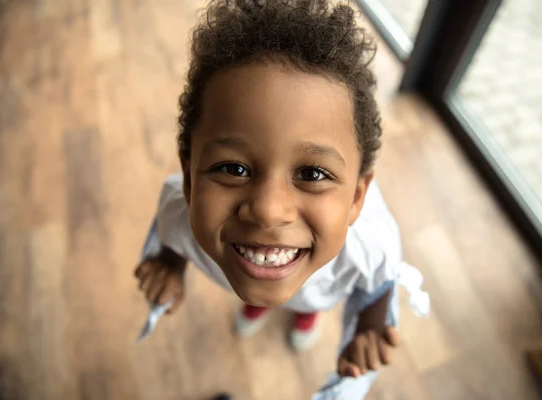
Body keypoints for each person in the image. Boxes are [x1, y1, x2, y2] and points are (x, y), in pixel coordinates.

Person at [134, 0, 429, 398]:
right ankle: (263, 303)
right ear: (189, 179)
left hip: (315, 281)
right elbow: (172, 236)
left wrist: (370, 326)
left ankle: (307, 312)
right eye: (233, 169)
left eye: (312, 174)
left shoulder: (370, 246)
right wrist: (170, 264)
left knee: (308, 299)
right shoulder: (177, 209)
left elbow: (379, 286)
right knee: (269, 271)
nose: (268, 211)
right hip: (263, 257)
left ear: (358, 198)